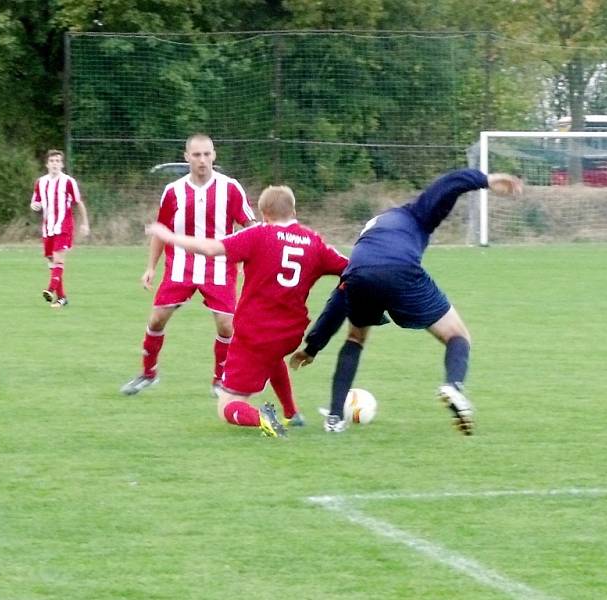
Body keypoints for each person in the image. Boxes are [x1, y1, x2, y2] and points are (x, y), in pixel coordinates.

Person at [288, 168, 523, 435]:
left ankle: (334, 418)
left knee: (355, 338)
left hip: (359, 276)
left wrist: (312, 348)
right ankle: (453, 386)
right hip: (400, 270)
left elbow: (338, 301)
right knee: (457, 335)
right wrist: (486, 181)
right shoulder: (413, 213)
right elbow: (448, 184)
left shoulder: (366, 243)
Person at [145, 184, 348, 437]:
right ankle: (291, 413)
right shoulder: (314, 242)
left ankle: (263, 419)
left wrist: (170, 236)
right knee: (273, 358)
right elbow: (351, 269)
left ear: (264, 214)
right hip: (290, 334)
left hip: (256, 333)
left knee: (227, 404)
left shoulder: (258, 235)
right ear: (294, 210)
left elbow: (210, 248)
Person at [121, 134, 260, 400]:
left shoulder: (230, 188)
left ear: (214, 155)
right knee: (157, 319)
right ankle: (148, 374)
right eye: (196, 155)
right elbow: (161, 231)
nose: (202, 160)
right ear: (187, 157)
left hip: (219, 265)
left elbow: (250, 229)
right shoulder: (173, 191)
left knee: (226, 326)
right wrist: (151, 266)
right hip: (180, 267)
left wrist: (247, 261)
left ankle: (220, 381)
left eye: (207, 154)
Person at [30, 149, 90, 308]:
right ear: (47, 164)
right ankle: (62, 298)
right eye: (52, 161)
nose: (55, 164)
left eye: (58, 161)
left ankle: (50, 290)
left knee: (58, 259)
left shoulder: (69, 181)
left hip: (64, 226)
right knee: (51, 261)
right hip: (48, 228)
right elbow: (35, 201)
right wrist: (34, 206)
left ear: (62, 164)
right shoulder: (40, 182)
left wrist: (85, 223)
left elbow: (79, 202)